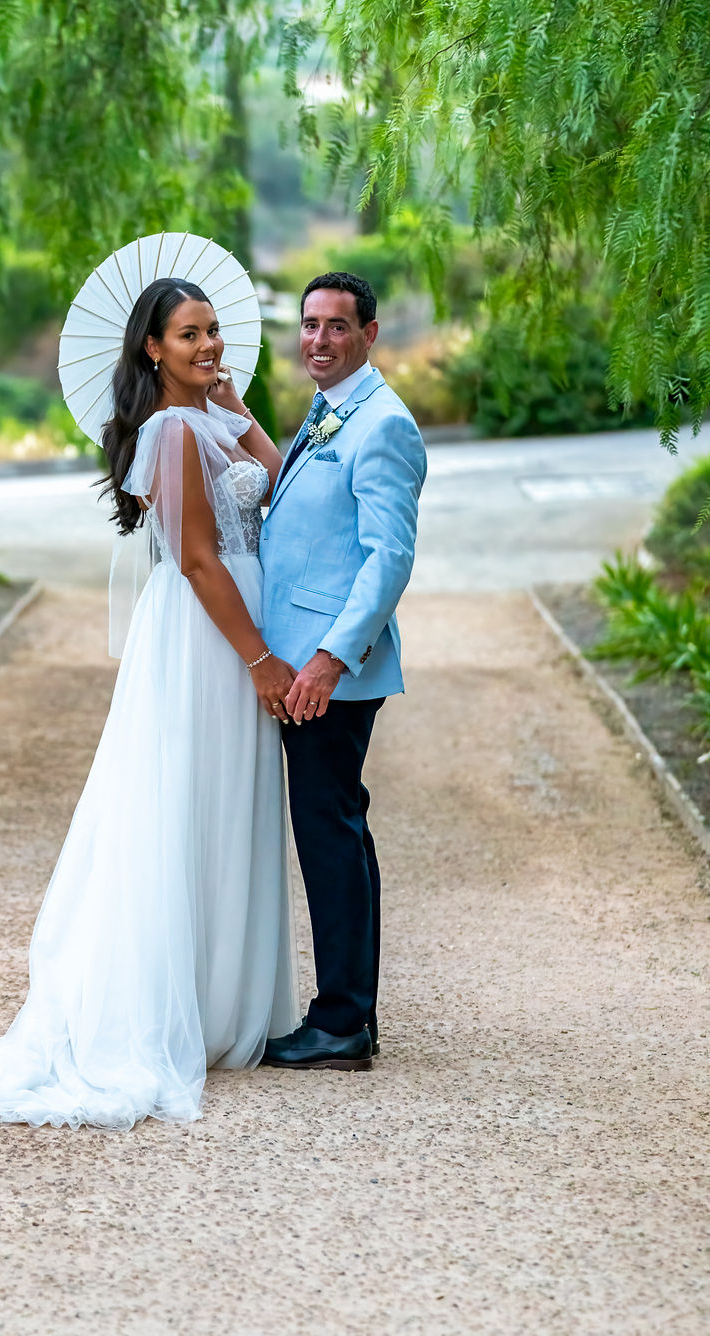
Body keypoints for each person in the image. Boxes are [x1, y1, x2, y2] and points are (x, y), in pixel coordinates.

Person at [0, 277, 300, 1130]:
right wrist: (261, 660)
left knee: (232, 805)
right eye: (190, 335)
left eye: (215, 330)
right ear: (153, 348)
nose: (209, 345)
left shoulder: (214, 419)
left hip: (234, 625)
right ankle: (177, 1008)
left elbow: (282, 481)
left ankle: (223, 1005)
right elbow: (196, 560)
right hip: (208, 638)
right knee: (189, 803)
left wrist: (240, 404)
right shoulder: (169, 432)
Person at [259, 271, 427, 1072]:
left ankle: (340, 1023)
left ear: (370, 333)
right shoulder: (329, 414)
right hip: (303, 663)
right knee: (337, 830)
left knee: (329, 834)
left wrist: (329, 658)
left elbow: (388, 558)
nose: (318, 340)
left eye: (335, 326)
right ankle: (348, 1014)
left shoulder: (382, 424)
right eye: (309, 324)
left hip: (329, 671)